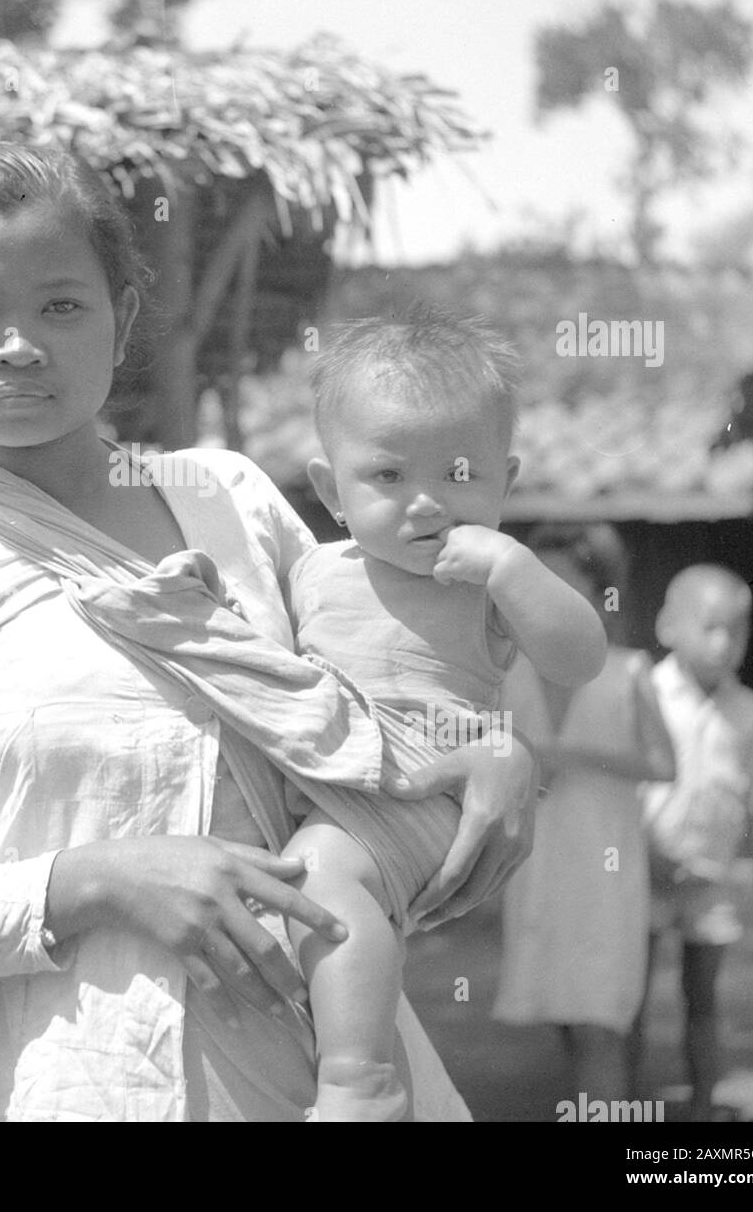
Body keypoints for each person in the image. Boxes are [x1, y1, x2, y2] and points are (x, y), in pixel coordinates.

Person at [0, 143, 540, 1123]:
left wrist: (492, 747)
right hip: (97, 1084)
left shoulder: (227, 499)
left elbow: (386, 683)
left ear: (121, 320)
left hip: (343, 1077)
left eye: (60, 304)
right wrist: (89, 881)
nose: (17, 345)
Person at [281, 310, 607, 1119]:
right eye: (387, 478)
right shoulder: (311, 572)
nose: (426, 504)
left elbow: (579, 659)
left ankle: (361, 1082)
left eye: (458, 473)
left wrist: (512, 567)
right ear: (331, 491)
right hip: (335, 784)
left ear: (504, 479)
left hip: (428, 793)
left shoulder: (482, 587)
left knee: (320, 878)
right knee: (303, 892)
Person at [492, 524, 675, 1107]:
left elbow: (664, 763)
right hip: (539, 866)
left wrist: (571, 755)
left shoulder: (626, 670)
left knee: (600, 1022)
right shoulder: (506, 675)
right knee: (567, 1021)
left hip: (606, 868)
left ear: (598, 592)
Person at [631, 564, 753, 1120]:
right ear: (670, 626)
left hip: (710, 878)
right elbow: (624, 792)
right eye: (710, 627)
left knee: (703, 1001)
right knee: (632, 1001)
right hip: (642, 872)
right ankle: (624, 1107)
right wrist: (641, 857)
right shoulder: (643, 691)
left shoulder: (749, 712)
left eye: (737, 631)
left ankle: (702, 1114)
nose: (725, 643)